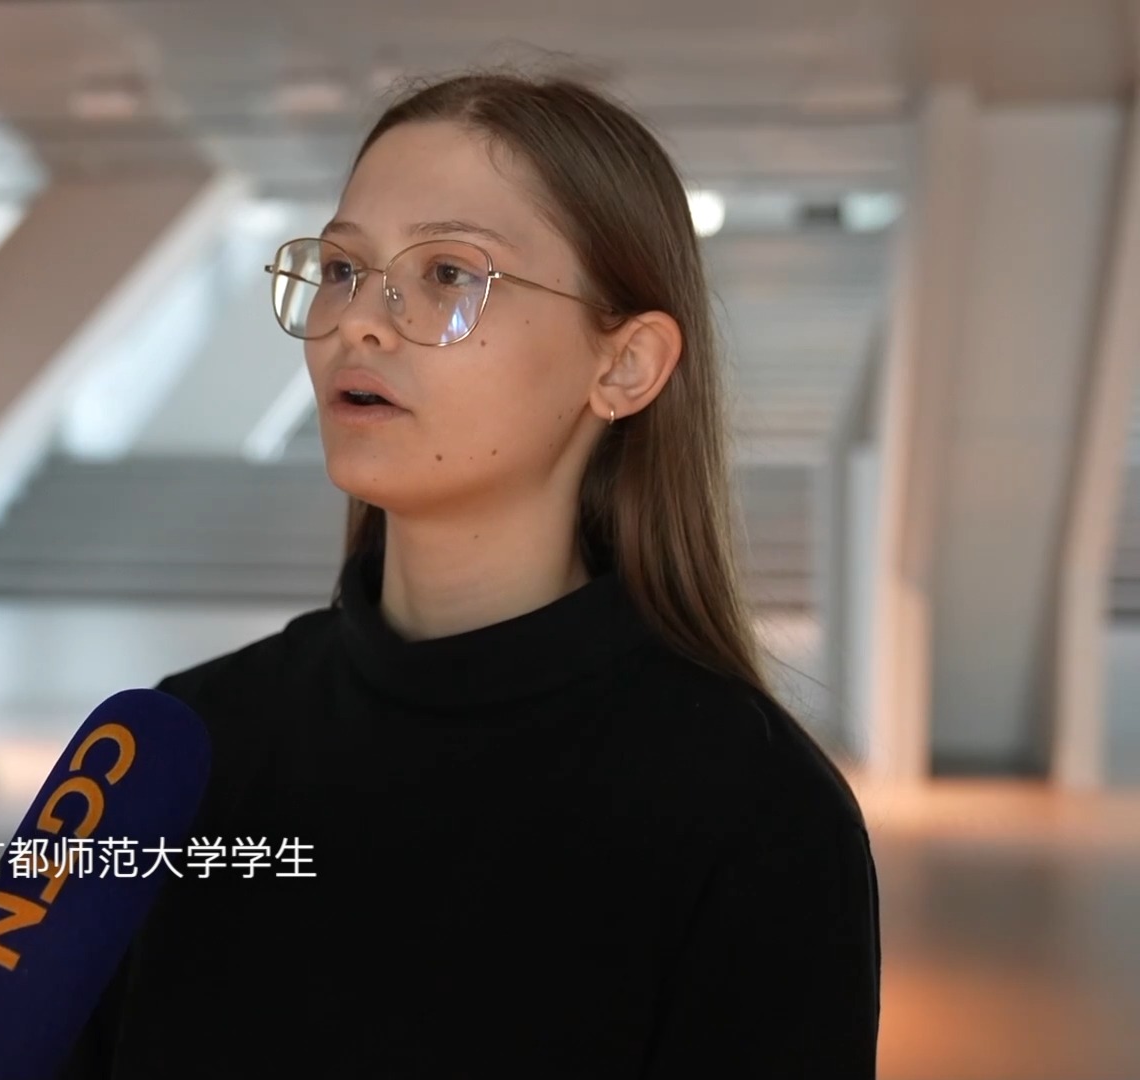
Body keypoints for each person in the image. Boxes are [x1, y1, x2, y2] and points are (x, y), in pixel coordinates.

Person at [56, 70, 881, 1079]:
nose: (359, 321)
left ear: (624, 365)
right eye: (343, 267)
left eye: (448, 272)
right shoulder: (170, 752)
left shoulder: (756, 818)